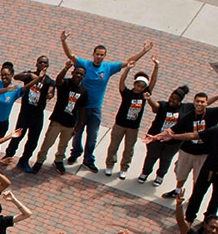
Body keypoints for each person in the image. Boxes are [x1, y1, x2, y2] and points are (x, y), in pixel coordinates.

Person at [59, 32, 152, 171]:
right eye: (97, 54)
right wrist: (64, 41)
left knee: (93, 136)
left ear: (104, 56)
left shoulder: (108, 68)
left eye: (102, 54)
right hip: (81, 108)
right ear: (93, 54)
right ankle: (75, 153)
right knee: (77, 133)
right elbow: (71, 55)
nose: (99, 56)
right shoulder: (85, 64)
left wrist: (143, 52)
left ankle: (88, 159)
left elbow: (128, 62)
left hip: (96, 108)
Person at [104, 58, 157, 178]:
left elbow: (153, 81)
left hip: (133, 127)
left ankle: (124, 167)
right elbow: (121, 82)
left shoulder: (144, 96)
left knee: (129, 148)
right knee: (113, 146)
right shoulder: (127, 93)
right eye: (138, 86)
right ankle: (109, 165)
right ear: (134, 84)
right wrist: (128, 69)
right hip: (120, 124)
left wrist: (156, 67)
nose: (140, 88)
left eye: (142, 87)